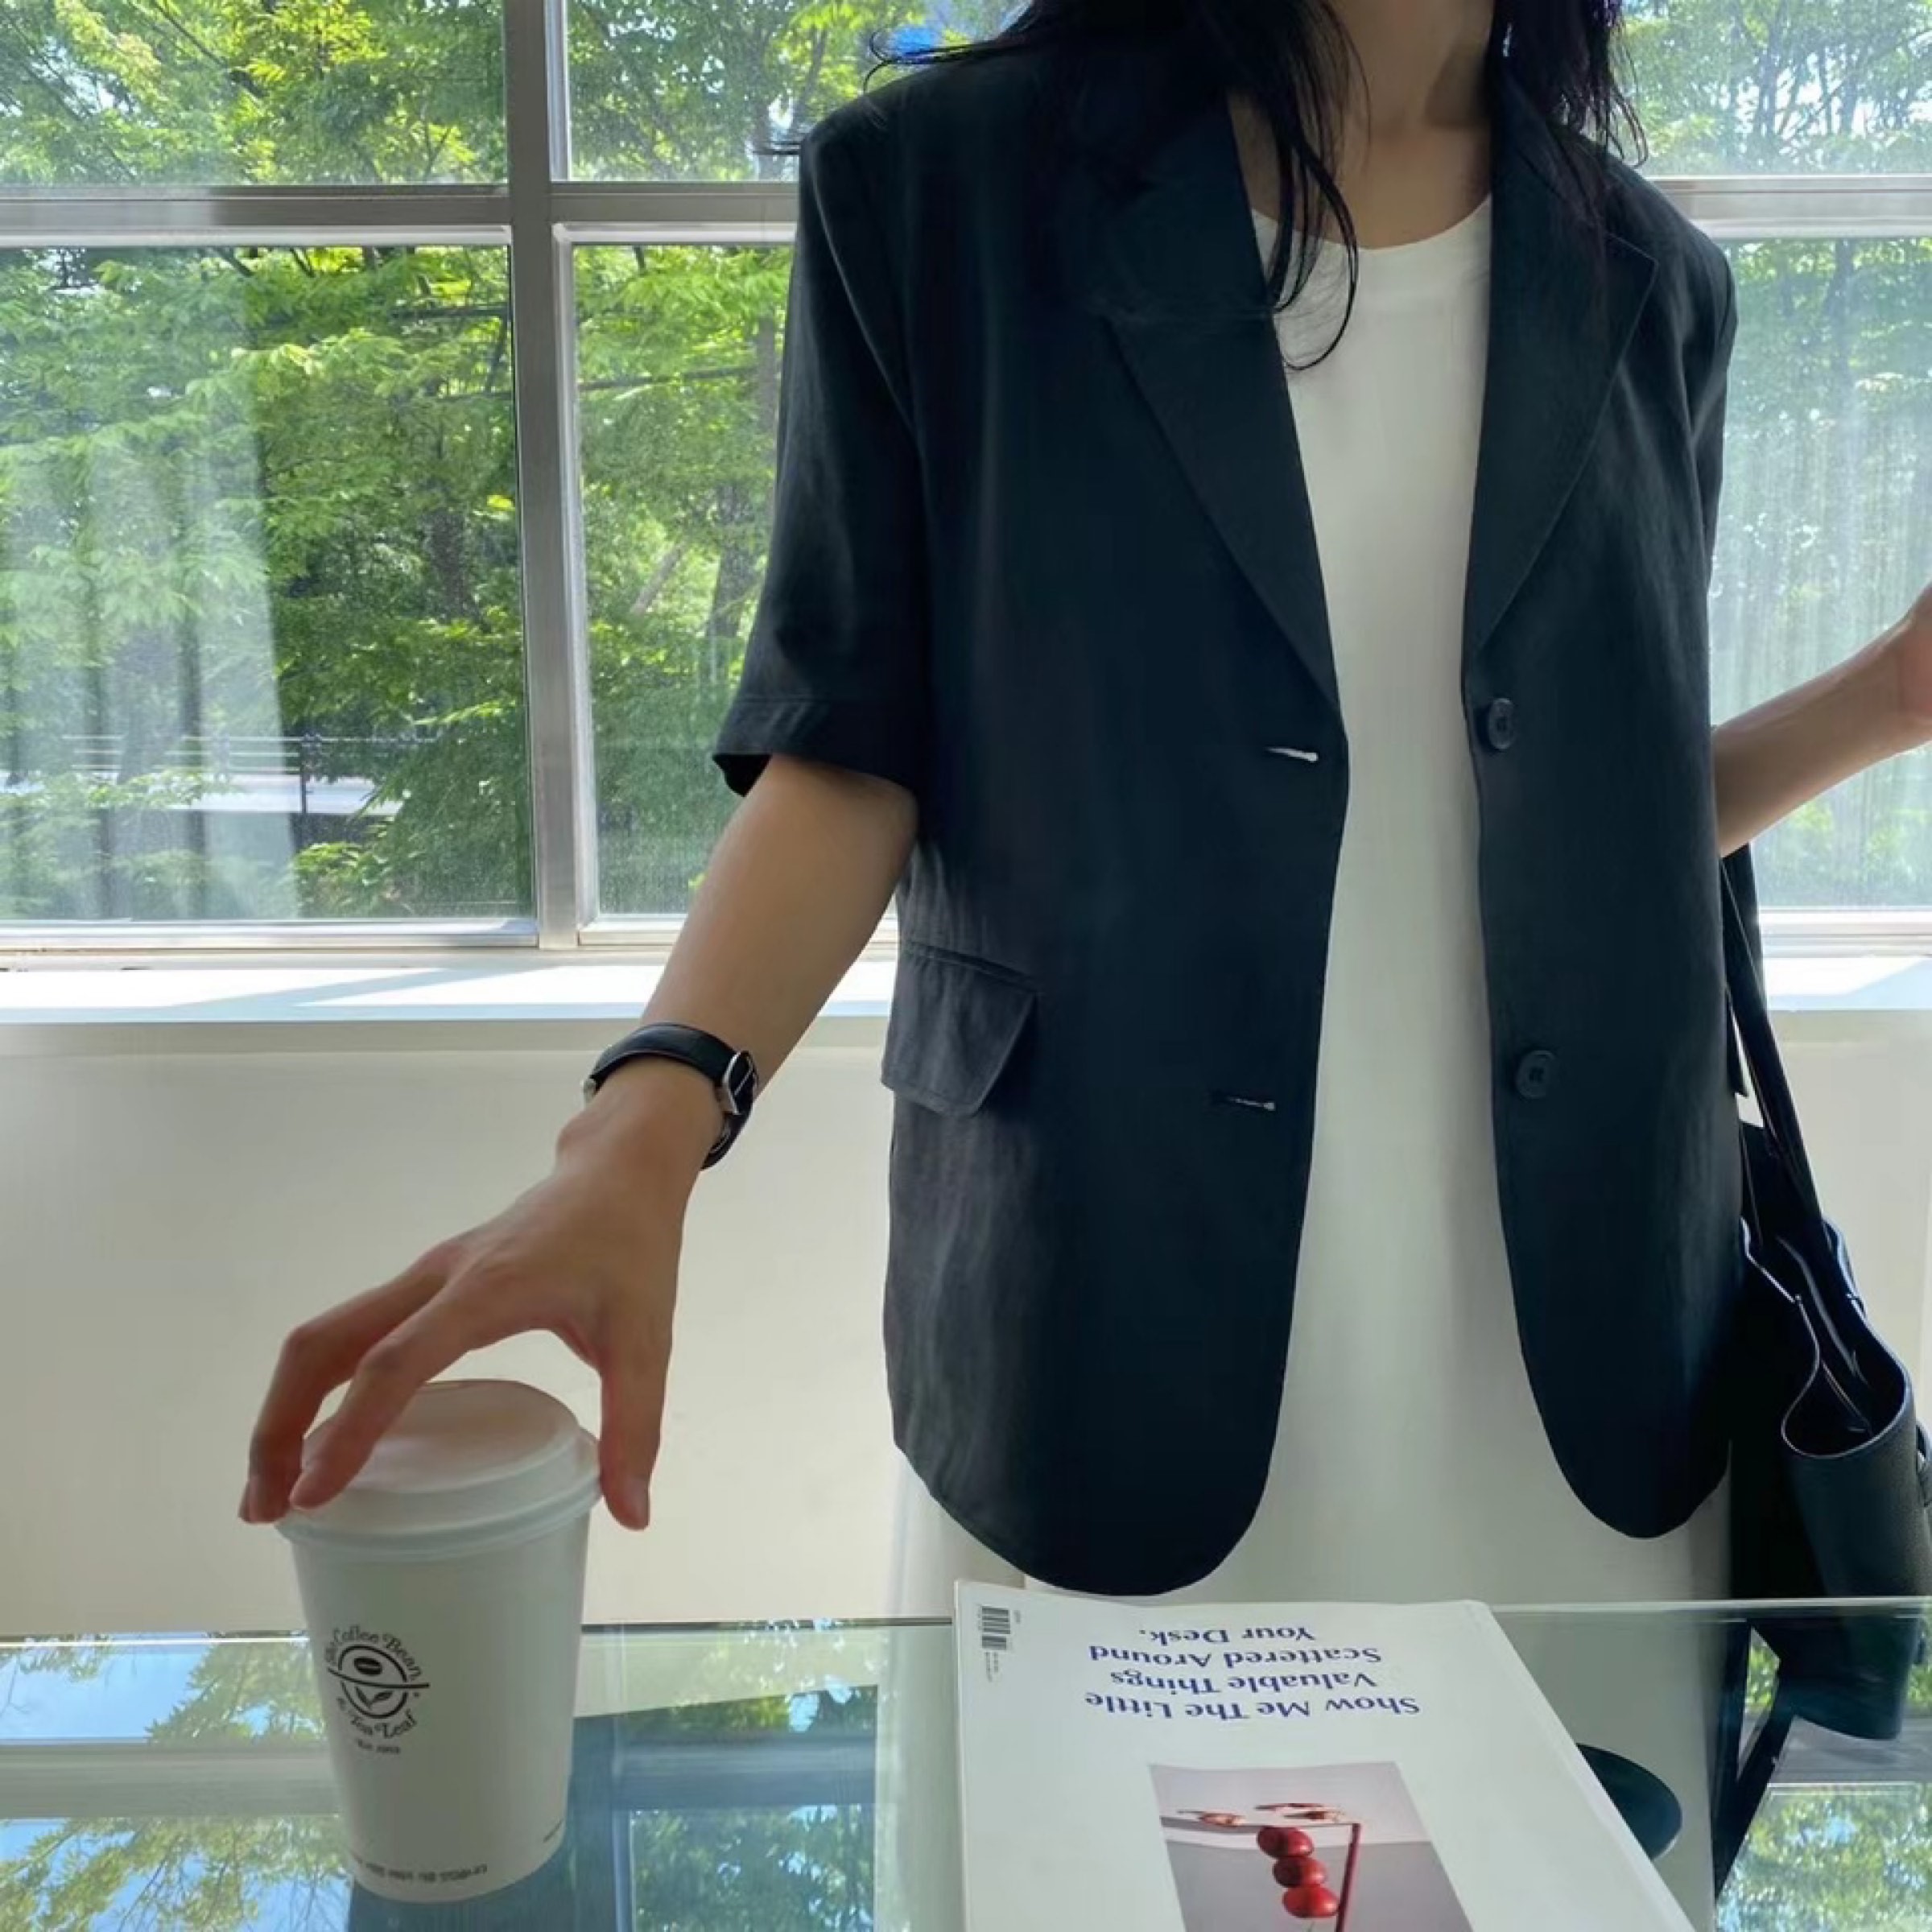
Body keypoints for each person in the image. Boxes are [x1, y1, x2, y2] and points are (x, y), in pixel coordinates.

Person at [241, 1, 1930, 1918]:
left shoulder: (1652, 279)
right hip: (1116, 1300)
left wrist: (1892, 696)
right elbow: (850, 745)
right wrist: (639, 1130)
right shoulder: (944, 195)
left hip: (1582, 1344)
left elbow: (1585, 818)